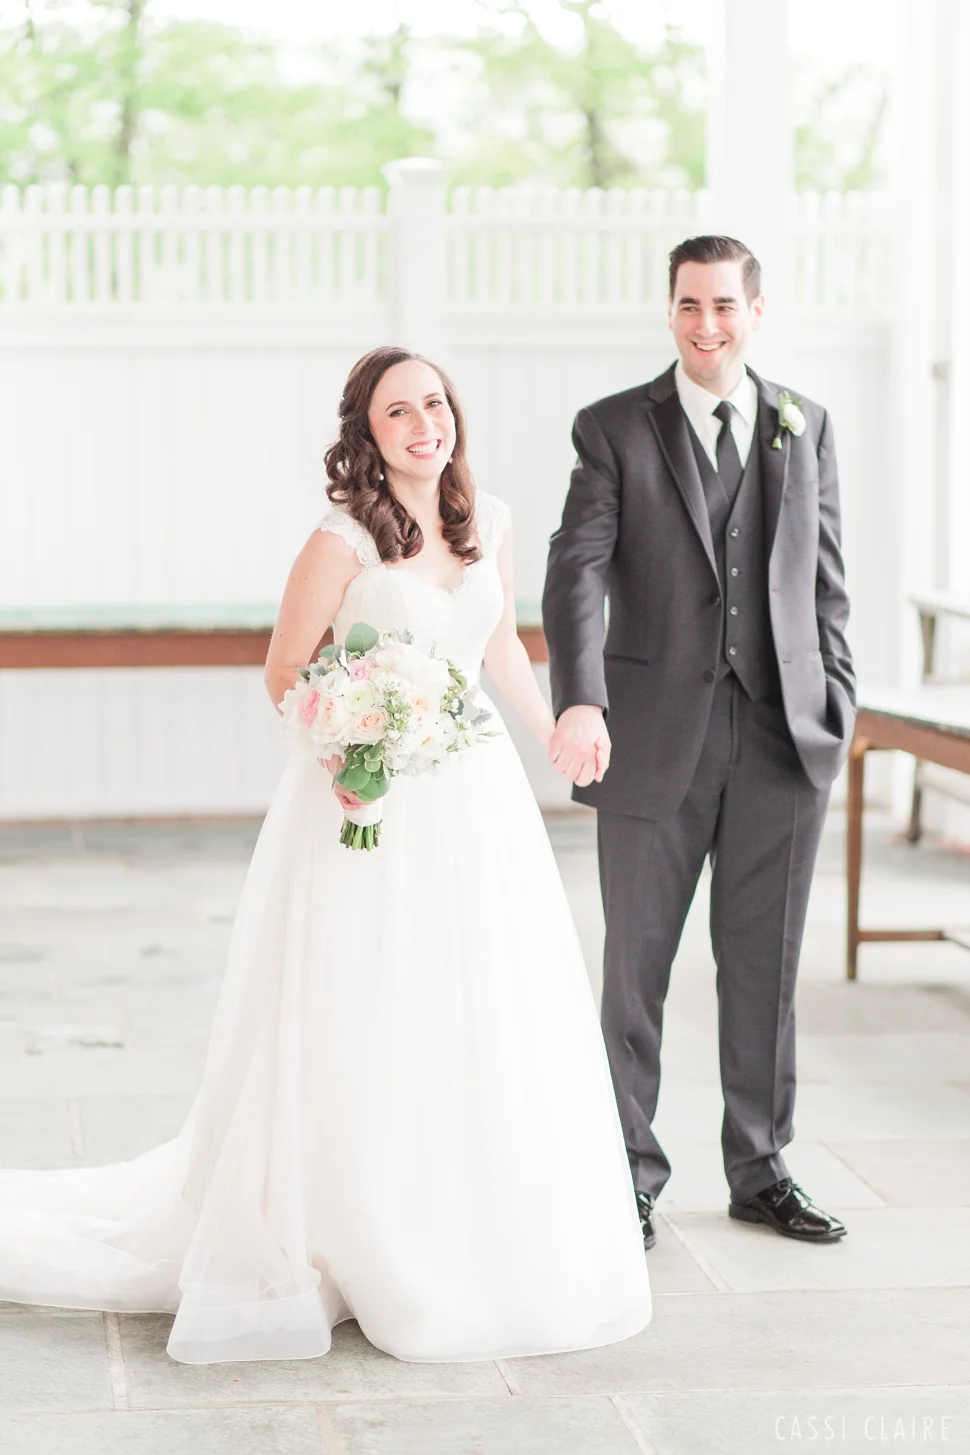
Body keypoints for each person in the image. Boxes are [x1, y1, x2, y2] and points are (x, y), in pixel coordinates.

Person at [0, 346, 650, 1365]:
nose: (425, 424)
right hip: (369, 799)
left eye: (434, 403)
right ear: (368, 433)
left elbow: (497, 651)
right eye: (399, 412)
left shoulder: (489, 521)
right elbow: (284, 669)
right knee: (368, 998)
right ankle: (352, 1223)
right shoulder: (341, 538)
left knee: (478, 995)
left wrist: (557, 728)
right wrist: (346, 749)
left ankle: (463, 1214)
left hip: (475, 796)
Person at [542, 235, 856, 1250]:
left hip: (782, 738)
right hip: (650, 740)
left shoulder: (805, 424)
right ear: (669, 310)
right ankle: (625, 1174)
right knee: (634, 972)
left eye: (723, 305)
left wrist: (835, 702)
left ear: (755, 311)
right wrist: (580, 700)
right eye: (688, 305)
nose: (705, 325)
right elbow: (575, 572)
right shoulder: (613, 428)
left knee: (764, 969)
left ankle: (761, 1169)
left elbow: (826, 583)